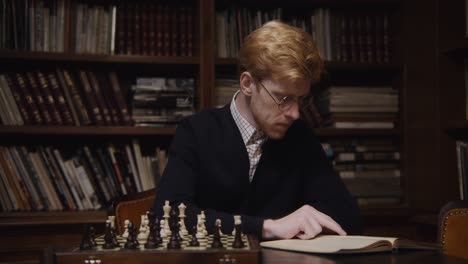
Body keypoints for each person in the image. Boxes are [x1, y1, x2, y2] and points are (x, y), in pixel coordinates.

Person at [153, 21, 362, 240]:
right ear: (247, 84)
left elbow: (348, 217)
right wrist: (266, 227)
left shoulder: (300, 136)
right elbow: (169, 215)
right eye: (283, 99)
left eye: (301, 99)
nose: (295, 113)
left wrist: (309, 217)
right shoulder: (196, 131)